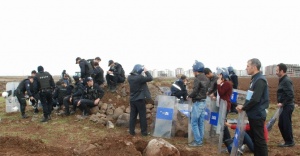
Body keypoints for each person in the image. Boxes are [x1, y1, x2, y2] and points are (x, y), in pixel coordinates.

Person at [236, 58, 269, 156]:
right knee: (256, 139)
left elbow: (255, 99)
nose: (246, 68)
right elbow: (250, 97)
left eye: (248, 66)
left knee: (259, 140)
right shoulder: (255, 79)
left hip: (257, 114)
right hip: (253, 114)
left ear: (254, 67)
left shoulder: (260, 80)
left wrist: (243, 107)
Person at [187, 60, 209, 147]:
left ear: (196, 70)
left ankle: (198, 141)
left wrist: (189, 96)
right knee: (201, 122)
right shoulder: (206, 78)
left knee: (194, 122)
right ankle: (200, 140)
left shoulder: (197, 78)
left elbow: (195, 91)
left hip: (198, 102)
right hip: (203, 102)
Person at [127, 64, 153, 136]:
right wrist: (146, 71)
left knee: (132, 116)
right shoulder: (140, 78)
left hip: (132, 99)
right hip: (140, 99)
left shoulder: (129, 77)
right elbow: (150, 78)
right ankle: (144, 132)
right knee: (142, 116)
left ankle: (131, 131)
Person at [276, 63, 295, 147]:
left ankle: (289, 141)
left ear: (282, 71)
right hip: (284, 106)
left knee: (286, 124)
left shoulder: (286, 81)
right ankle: (287, 140)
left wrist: (282, 103)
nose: (276, 72)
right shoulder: (282, 80)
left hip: (287, 106)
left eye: (277, 70)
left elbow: (290, 95)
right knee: (281, 124)